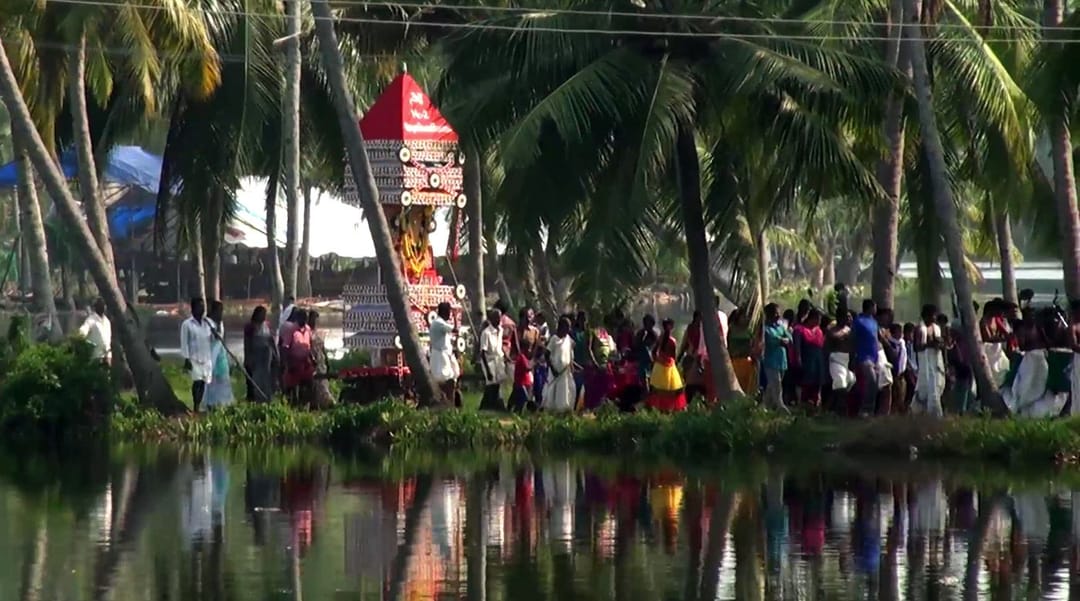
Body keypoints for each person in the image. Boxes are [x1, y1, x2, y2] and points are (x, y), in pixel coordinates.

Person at [180, 297, 214, 412]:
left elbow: (215, 338)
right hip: (194, 358)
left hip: (206, 358)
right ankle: (196, 406)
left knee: (204, 382)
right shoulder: (187, 324)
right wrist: (186, 358)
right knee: (197, 382)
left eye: (203, 306)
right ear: (193, 308)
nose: (202, 309)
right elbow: (184, 342)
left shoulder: (208, 323)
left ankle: (200, 404)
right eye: (199, 306)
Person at [645, 318, 687, 412]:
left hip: (659, 367)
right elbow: (674, 356)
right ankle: (670, 408)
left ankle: (657, 408)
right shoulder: (672, 341)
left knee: (657, 390)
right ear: (672, 327)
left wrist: (657, 360)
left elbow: (654, 352)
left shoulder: (660, 338)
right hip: (670, 367)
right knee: (674, 390)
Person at [913, 304, 946, 417]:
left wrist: (940, 343)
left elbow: (942, 345)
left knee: (937, 386)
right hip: (925, 363)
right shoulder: (920, 329)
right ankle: (927, 413)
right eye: (933, 315)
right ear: (926, 315)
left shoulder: (936, 328)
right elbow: (917, 347)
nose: (935, 317)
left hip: (936, 362)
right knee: (924, 387)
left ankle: (932, 413)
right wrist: (929, 344)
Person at [851, 299, 881, 417]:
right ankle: (864, 409)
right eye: (875, 307)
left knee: (876, 383)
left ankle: (871, 410)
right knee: (871, 380)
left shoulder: (874, 322)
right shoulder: (858, 321)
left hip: (874, 357)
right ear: (870, 307)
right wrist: (852, 357)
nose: (876, 309)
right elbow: (853, 339)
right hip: (863, 356)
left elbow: (876, 339)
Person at [792, 309, 825, 410]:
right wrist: (798, 359)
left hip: (818, 361)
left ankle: (815, 407)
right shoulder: (799, 329)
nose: (819, 322)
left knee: (816, 385)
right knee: (805, 385)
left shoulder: (819, 331)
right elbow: (797, 347)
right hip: (806, 360)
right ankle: (802, 406)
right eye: (818, 319)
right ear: (812, 318)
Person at [429, 302, 461, 405]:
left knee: (453, 375)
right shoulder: (439, 323)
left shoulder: (439, 323)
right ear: (445, 312)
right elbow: (455, 330)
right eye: (449, 312)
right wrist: (455, 317)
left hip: (445, 354)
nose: (449, 315)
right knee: (445, 379)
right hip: (440, 356)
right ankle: (447, 401)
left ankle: (450, 400)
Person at [204, 300, 234, 410]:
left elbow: (222, 340)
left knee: (223, 380)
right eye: (218, 311)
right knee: (211, 383)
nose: (220, 314)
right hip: (210, 357)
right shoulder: (207, 324)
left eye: (221, 311)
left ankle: (224, 405)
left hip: (221, 357)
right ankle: (210, 404)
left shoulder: (220, 324)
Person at [762, 303, 792, 413]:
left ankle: (764, 407)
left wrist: (784, 340)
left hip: (781, 361)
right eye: (775, 313)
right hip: (771, 361)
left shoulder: (780, 327)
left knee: (772, 386)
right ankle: (781, 406)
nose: (778, 316)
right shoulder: (765, 329)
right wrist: (781, 340)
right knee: (776, 384)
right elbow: (771, 340)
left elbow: (789, 338)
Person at [542, 317, 576, 414]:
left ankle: (563, 410)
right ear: (562, 327)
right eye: (567, 327)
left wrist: (572, 367)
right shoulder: (554, 339)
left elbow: (570, 354)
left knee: (566, 389)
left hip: (565, 371)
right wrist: (553, 369)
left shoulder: (568, 339)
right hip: (555, 371)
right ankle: (552, 409)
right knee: (553, 390)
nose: (569, 330)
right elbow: (547, 354)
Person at [243, 306, 275, 402]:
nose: (264, 316)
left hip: (266, 356)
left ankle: (266, 398)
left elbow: (271, 340)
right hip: (255, 355)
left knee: (266, 378)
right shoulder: (250, 327)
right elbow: (247, 343)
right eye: (262, 314)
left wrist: (275, 354)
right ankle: (255, 399)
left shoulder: (267, 325)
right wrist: (248, 358)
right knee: (255, 379)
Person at [282, 309, 315, 404]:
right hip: (294, 361)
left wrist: (312, 358)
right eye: (302, 318)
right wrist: (286, 363)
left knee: (308, 383)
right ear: (297, 318)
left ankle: (305, 404)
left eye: (305, 318)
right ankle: (292, 404)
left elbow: (310, 344)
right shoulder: (291, 330)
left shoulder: (308, 329)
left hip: (306, 361)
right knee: (292, 385)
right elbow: (285, 347)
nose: (304, 320)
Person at [305, 311, 335, 409]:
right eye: (314, 320)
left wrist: (327, 360)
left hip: (321, 360)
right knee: (316, 383)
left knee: (323, 382)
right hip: (313, 361)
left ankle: (325, 403)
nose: (315, 322)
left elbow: (323, 348)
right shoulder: (307, 332)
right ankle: (318, 403)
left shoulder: (318, 333)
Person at [479, 309, 506, 411]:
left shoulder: (500, 330)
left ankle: (491, 405)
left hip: (498, 359)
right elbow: (483, 352)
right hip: (489, 360)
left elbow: (500, 346)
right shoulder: (486, 333)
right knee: (491, 384)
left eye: (500, 317)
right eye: (496, 318)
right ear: (491, 319)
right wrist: (488, 370)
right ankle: (489, 405)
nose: (499, 320)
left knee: (498, 383)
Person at [678, 311, 706, 402]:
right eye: (698, 318)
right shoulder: (690, 329)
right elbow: (684, 344)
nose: (700, 320)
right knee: (690, 383)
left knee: (701, 384)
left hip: (701, 359)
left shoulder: (705, 330)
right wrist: (678, 359)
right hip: (691, 359)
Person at [78, 298, 112, 366]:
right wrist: (79, 335)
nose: (103, 307)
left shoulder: (107, 321)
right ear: (96, 307)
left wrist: (109, 355)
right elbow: (83, 331)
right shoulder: (91, 320)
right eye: (100, 305)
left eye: (104, 305)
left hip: (107, 356)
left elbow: (108, 338)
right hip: (96, 356)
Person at [887, 323, 908, 414]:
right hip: (893, 373)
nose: (900, 334)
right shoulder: (890, 344)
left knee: (902, 394)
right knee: (895, 394)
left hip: (902, 373)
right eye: (898, 332)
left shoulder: (902, 343)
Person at [510, 340, 535, 412]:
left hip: (524, 383)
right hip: (522, 383)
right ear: (524, 348)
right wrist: (533, 365)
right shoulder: (522, 357)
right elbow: (527, 368)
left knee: (521, 400)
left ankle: (518, 411)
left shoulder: (524, 357)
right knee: (522, 400)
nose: (529, 350)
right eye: (528, 348)